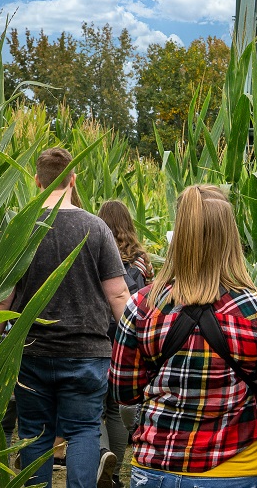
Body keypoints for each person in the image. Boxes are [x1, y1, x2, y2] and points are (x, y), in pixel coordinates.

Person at [109, 184, 257, 488]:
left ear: (180, 238)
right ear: (230, 238)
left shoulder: (141, 306)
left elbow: (123, 392)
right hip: (236, 470)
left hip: (156, 470)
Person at [0, 147, 130, 488]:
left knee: (34, 433)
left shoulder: (21, 230)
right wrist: (136, 343)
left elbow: (3, 299)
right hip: (87, 353)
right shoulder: (96, 227)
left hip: (31, 352)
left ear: (37, 181)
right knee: (83, 430)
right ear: (73, 178)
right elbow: (118, 295)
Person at [98, 200, 154, 488]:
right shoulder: (141, 260)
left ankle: (102, 456)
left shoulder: (94, 250)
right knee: (115, 409)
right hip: (127, 339)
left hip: (96, 337)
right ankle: (116, 474)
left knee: (90, 407)